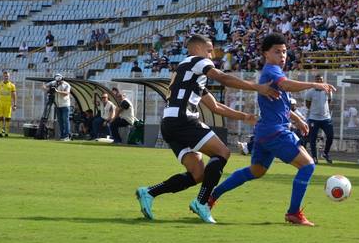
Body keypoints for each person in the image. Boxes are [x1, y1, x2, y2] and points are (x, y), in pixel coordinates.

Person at [135, 34, 279, 224]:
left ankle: (149, 192)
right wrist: (257, 87)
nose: (211, 56)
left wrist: (244, 116)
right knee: (223, 152)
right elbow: (222, 78)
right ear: (196, 49)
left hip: (170, 123)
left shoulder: (189, 74)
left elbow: (215, 107)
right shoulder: (196, 61)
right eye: (209, 50)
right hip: (183, 119)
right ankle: (202, 202)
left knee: (198, 174)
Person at [208, 33, 336, 226]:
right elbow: (286, 85)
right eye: (277, 52)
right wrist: (314, 83)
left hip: (264, 132)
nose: (282, 55)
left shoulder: (272, 72)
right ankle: (293, 213)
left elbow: (280, 103)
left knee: (256, 171)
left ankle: (211, 197)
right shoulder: (272, 72)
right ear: (266, 54)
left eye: (284, 51)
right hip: (276, 131)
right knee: (308, 165)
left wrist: (298, 119)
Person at [305, 74, 334, 164]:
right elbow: (308, 104)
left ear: (323, 81)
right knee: (312, 138)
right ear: (315, 81)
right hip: (314, 118)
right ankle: (314, 157)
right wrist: (315, 111)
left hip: (326, 118)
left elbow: (329, 101)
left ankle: (325, 153)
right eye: (317, 80)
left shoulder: (327, 90)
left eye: (320, 80)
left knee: (330, 136)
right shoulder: (310, 92)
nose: (319, 81)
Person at [43, 74, 71, 141]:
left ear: (62, 79)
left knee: (65, 120)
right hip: (57, 105)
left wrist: (57, 91)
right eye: (57, 81)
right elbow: (43, 86)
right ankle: (62, 135)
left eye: (59, 81)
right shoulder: (53, 83)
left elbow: (66, 93)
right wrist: (49, 89)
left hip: (65, 105)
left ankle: (67, 136)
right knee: (60, 121)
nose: (58, 82)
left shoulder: (66, 85)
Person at [0, 71, 17, 137]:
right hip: (0, 103)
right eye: (5, 76)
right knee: (0, 117)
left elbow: (14, 95)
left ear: (9, 77)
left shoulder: (12, 85)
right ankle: (0, 133)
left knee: (8, 118)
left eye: (7, 76)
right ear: (3, 76)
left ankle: (6, 133)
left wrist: (15, 104)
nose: (6, 77)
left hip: (8, 103)